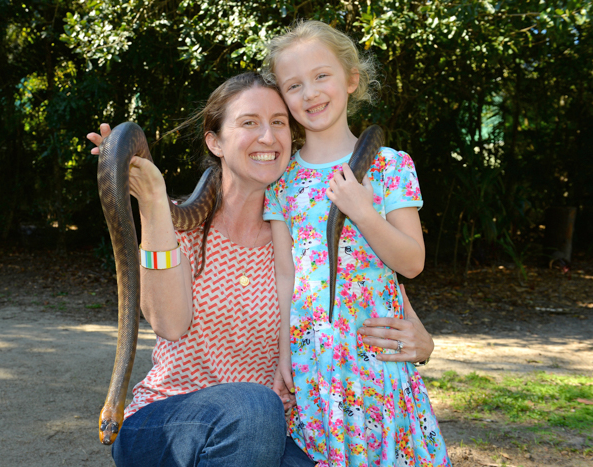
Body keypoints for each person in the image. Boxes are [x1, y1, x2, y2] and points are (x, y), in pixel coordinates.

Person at [87, 72, 435, 467]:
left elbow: (368, 300)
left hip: (264, 434)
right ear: (214, 141)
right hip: (168, 425)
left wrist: (420, 345)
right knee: (254, 404)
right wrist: (151, 200)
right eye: (249, 122)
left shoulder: (302, 239)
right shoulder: (180, 225)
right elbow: (169, 322)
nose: (268, 137)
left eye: (279, 123)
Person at [262, 21, 451, 466]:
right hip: (314, 357)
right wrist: (286, 353)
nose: (309, 93)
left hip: (375, 353)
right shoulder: (282, 179)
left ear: (351, 79)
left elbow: (412, 263)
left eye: (321, 76)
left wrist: (363, 211)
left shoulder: (389, 166)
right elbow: (285, 273)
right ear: (283, 98)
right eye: (294, 85)